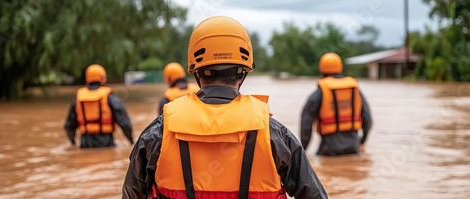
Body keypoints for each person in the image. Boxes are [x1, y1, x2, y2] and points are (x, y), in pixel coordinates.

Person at [123, 16, 327, 199]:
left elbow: (132, 194)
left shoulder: (158, 132)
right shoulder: (273, 133)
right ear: (243, 73)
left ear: (195, 70)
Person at [300, 52, 373, 156]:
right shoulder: (354, 90)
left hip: (328, 150)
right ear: (340, 68)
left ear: (321, 70)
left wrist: (303, 152)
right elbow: (368, 120)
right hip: (353, 148)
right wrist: (361, 142)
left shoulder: (319, 93)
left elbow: (306, 124)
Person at [64, 64, 133, 148]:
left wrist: (73, 143)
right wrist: (131, 142)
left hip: (85, 143)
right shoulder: (110, 98)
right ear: (103, 79)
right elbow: (125, 123)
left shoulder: (78, 99)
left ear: (87, 79)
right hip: (106, 143)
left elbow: (68, 126)